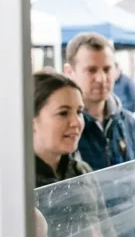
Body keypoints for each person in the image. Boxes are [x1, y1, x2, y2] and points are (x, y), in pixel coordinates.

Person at [64, 32, 135, 237]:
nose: (101, 78)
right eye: (91, 70)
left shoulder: (128, 123)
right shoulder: (67, 130)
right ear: (70, 72)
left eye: (107, 69)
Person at [31, 71, 115, 237]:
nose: (76, 122)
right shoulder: (16, 186)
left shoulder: (82, 172)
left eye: (79, 112)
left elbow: (107, 232)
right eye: (63, 113)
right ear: (30, 120)